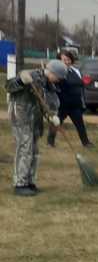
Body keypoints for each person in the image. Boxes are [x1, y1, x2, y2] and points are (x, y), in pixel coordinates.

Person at [6, 61, 62, 195]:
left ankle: (30, 181)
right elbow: (8, 86)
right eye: (59, 77)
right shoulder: (30, 75)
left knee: (34, 150)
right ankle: (20, 184)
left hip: (35, 119)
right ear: (52, 72)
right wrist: (20, 81)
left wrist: (52, 116)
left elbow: (48, 103)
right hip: (21, 116)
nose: (59, 80)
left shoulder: (48, 84)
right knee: (25, 148)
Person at [52, 44, 92, 148]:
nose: (66, 62)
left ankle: (86, 143)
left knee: (80, 124)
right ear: (59, 61)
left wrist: (85, 82)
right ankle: (50, 142)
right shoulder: (56, 72)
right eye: (64, 60)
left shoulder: (76, 71)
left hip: (75, 104)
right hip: (63, 104)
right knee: (56, 123)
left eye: (68, 59)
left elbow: (80, 84)